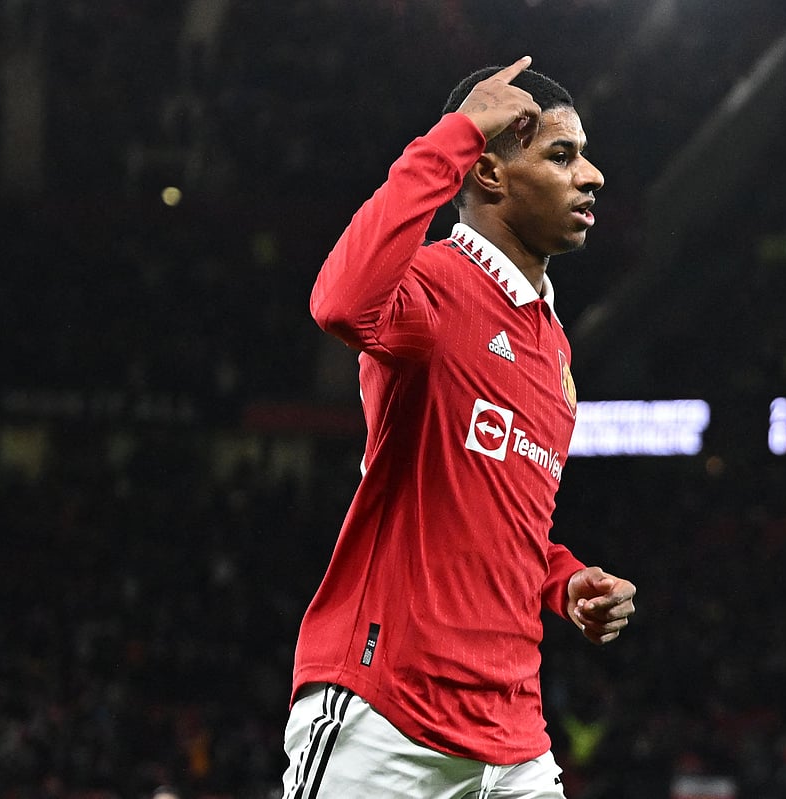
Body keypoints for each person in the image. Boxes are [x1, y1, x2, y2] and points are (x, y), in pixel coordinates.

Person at [281, 56, 637, 799]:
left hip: (513, 733)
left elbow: (502, 522)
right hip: (388, 713)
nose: (592, 176)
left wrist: (565, 580)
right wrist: (454, 134)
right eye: (562, 155)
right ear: (490, 173)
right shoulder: (435, 284)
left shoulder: (554, 345)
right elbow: (339, 304)